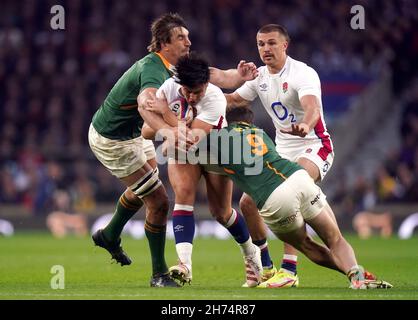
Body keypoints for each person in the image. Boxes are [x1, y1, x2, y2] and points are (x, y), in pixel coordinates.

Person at [88, 13, 258, 287]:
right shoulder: (153, 68)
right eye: (182, 37)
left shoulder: (182, 69)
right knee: (158, 200)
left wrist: (240, 75)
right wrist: (170, 131)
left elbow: (216, 76)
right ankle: (159, 275)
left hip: (135, 133)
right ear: (163, 44)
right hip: (113, 138)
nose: (189, 42)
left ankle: (110, 233)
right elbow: (146, 104)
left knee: (149, 182)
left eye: (188, 36)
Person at [208, 106, 393, 289]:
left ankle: (290, 271)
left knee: (307, 245)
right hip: (299, 178)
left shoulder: (221, 139)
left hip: (275, 198)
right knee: (336, 240)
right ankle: (357, 275)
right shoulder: (259, 133)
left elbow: (196, 152)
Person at [225, 24, 335, 287]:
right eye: (261, 44)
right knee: (247, 204)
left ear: (285, 45)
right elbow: (231, 101)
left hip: (313, 145)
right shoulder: (260, 77)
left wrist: (305, 125)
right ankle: (265, 265)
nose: (266, 49)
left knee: (287, 194)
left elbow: (313, 108)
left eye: (272, 43)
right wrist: (197, 100)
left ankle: (290, 269)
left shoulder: (302, 73)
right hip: (282, 149)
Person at [142, 54, 263, 287]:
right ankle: (184, 265)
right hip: (183, 150)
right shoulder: (168, 88)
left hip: (214, 149)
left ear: (207, 84)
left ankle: (250, 253)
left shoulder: (215, 98)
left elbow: (191, 138)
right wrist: (172, 129)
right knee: (183, 195)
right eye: (187, 91)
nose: (192, 96)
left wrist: (166, 116)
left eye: (197, 92)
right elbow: (147, 130)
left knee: (221, 212)